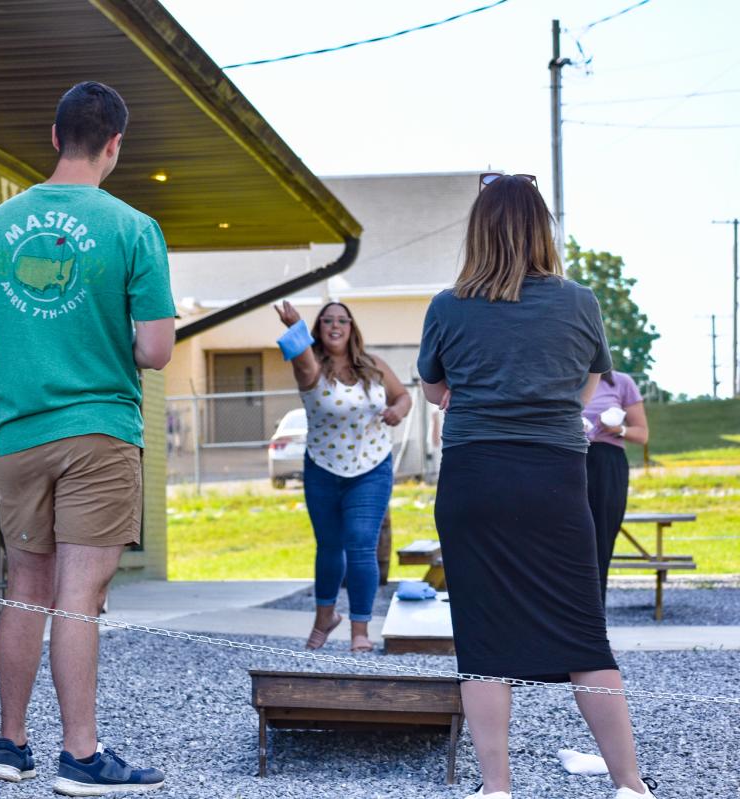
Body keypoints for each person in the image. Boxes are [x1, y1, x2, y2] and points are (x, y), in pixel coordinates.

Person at [0, 81, 175, 797]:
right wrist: (96, 337)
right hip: (98, 434)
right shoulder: (133, 227)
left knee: (26, 588)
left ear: (53, 137)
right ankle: (81, 754)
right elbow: (158, 349)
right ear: (114, 144)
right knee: (80, 593)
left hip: (16, 434)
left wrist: (28, 339)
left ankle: (10, 745)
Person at [417, 172, 654, 799]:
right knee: (583, 629)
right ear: (541, 231)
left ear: (479, 231)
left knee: (482, 634)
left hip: (474, 476)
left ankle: (496, 789)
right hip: (553, 475)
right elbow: (588, 384)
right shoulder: (580, 302)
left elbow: (437, 391)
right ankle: (630, 784)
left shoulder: (447, 305)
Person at [274, 300, 411, 652]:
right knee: (330, 548)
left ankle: (360, 631)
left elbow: (403, 396)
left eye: (342, 321)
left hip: (372, 467)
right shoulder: (311, 369)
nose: (335, 326)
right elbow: (302, 356)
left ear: (352, 327)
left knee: (362, 545)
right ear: (318, 329)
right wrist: (295, 328)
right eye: (327, 322)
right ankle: (324, 618)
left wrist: (396, 410)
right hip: (322, 467)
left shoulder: (374, 365)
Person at [585, 371, 649, 600]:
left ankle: (595, 614)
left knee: (601, 538)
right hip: (569, 459)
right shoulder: (565, 379)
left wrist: (618, 429)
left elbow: (642, 434)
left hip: (607, 463)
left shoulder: (621, 382)